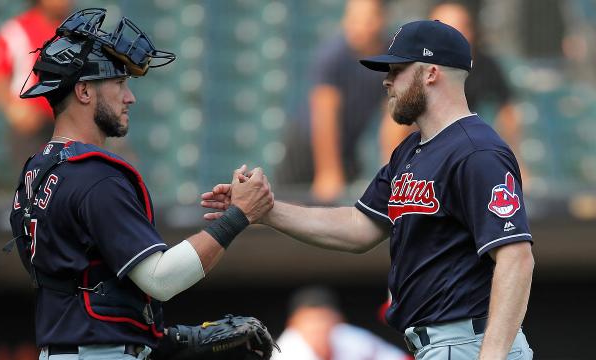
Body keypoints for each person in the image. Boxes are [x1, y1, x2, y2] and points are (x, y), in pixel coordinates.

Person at [203, 20, 535, 359]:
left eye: (397, 69)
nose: (386, 80)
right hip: (445, 344)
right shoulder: (410, 151)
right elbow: (358, 227)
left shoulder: (476, 152)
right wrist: (265, 210)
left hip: (470, 343)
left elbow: (516, 258)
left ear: (431, 73)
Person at [7, 8, 274, 360]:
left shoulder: (37, 172)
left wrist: (171, 340)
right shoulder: (94, 176)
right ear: (84, 91)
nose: (129, 97)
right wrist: (239, 215)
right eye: (118, 82)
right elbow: (161, 279)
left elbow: (84, 294)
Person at [278, 0, 408, 203]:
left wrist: (393, 171)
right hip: (307, 147)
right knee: (289, 212)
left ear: (382, 20)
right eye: (352, 19)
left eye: (366, 20)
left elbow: (393, 118)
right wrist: (328, 172)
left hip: (347, 145)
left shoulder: (393, 57)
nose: (357, 26)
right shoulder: (332, 55)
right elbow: (324, 115)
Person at [428, 2, 530, 188]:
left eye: (458, 29)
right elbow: (398, 124)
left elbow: (507, 113)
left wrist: (516, 163)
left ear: (471, 32)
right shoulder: (416, 70)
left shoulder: (488, 67)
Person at [0, 0, 73, 167]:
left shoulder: (79, 32)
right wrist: (13, 108)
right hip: (33, 127)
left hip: (71, 124)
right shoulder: (17, 30)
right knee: (34, 185)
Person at [272, 286, 410, 360]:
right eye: (309, 323)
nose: (317, 328)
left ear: (338, 321)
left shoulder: (350, 338)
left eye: (323, 320)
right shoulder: (287, 353)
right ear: (293, 324)